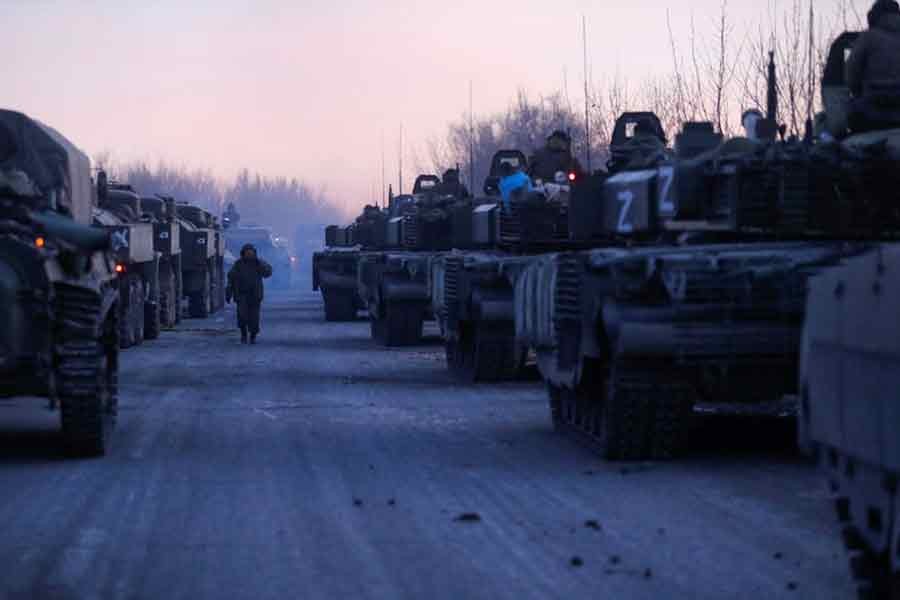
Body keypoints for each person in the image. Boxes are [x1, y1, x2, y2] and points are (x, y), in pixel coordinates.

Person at [847, 0, 900, 133]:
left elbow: (851, 75)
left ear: (874, 16)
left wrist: (856, 92)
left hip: (873, 110)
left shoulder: (868, 38)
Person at [226, 243, 273, 344]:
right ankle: (243, 334)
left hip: (255, 295)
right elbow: (231, 277)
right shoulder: (238, 264)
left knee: (254, 317)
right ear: (243, 253)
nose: (249, 254)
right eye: (247, 253)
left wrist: (260, 265)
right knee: (242, 316)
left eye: (251, 252)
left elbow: (268, 272)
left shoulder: (258, 263)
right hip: (241, 294)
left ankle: (253, 336)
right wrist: (229, 293)